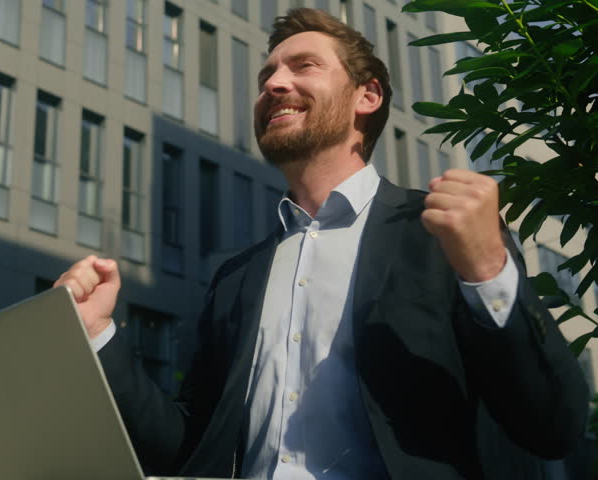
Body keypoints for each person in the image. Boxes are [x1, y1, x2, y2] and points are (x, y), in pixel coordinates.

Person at [54, 8, 588, 479]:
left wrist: (488, 271)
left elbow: (552, 427)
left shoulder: (444, 237)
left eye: (303, 66)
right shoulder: (236, 278)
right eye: (266, 76)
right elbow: (187, 448)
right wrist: (100, 334)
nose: (274, 85)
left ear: (367, 95)